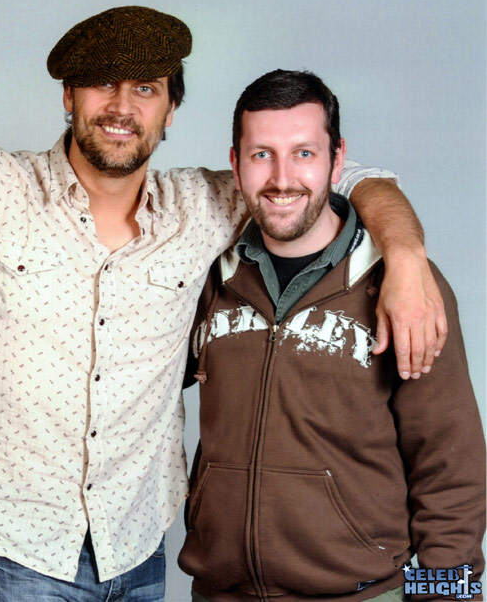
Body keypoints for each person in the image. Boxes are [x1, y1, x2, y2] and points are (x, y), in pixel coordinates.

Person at [0, 7, 447, 602]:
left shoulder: (207, 205)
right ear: (68, 98)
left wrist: (407, 255)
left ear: (171, 109)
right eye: (101, 86)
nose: (121, 106)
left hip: (137, 546)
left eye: (145, 88)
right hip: (8, 546)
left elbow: (341, 174)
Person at [178, 69, 485, 602]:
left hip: (364, 593)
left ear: (338, 161)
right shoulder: (207, 277)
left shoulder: (402, 289)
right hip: (221, 592)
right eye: (261, 154)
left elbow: (451, 470)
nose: (281, 178)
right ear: (235, 162)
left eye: (303, 153)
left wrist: (447, 598)